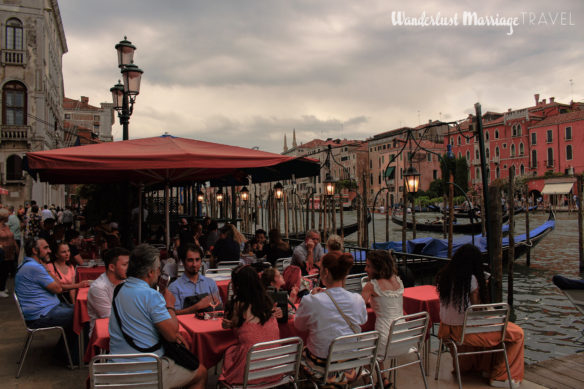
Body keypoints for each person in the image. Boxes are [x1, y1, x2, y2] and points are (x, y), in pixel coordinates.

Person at [109, 244, 207, 389]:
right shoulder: (151, 295)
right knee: (201, 372)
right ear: (150, 272)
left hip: (115, 367)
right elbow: (173, 334)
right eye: (158, 270)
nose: (159, 273)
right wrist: (170, 305)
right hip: (146, 370)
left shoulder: (119, 289)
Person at [436, 244, 524, 388]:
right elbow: (478, 310)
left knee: (491, 330)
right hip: (463, 332)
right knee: (517, 334)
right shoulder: (471, 280)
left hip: (446, 329)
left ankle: (485, 368)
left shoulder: (444, 276)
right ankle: (501, 376)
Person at [294, 252, 367, 385]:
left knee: (299, 354)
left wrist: (312, 298)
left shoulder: (311, 301)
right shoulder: (357, 299)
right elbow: (363, 320)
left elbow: (299, 326)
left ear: (326, 272)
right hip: (352, 365)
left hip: (321, 367)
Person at [15, 238, 78, 364]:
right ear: (34, 250)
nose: (49, 251)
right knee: (83, 314)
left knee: (80, 310)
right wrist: (47, 269)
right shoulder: (34, 267)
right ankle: (73, 358)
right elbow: (58, 288)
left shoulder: (30, 265)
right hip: (41, 316)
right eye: (46, 248)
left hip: (45, 311)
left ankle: (63, 352)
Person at [219, 265, 280, 385]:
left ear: (237, 286)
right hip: (275, 371)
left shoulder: (238, 307)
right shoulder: (268, 303)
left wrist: (230, 323)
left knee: (229, 351)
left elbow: (237, 330)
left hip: (247, 374)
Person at [361, 250, 403, 388]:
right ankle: (383, 378)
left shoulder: (371, 285)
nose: (365, 269)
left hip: (385, 339)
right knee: (375, 341)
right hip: (403, 336)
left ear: (377, 268)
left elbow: (358, 309)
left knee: (362, 343)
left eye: (368, 266)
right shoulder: (398, 281)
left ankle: (368, 381)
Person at [87, 247, 130, 336]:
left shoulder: (126, 282)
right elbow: (109, 318)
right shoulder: (98, 287)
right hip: (104, 334)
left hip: (125, 328)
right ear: (111, 267)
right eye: (125, 265)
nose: (129, 268)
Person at [168, 243, 221, 314]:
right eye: (190, 260)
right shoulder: (174, 287)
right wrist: (197, 307)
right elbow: (174, 313)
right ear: (183, 262)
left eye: (197, 260)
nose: (194, 264)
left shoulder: (211, 283)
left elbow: (219, 307)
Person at [0, 208, 18, 297]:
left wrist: (15, 246)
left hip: (9, 252)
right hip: (2, 252)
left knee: (6, 270)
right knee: (2, 270)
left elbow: (11, 236)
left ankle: (2, 286)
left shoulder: (5, 226)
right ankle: (1, 288)